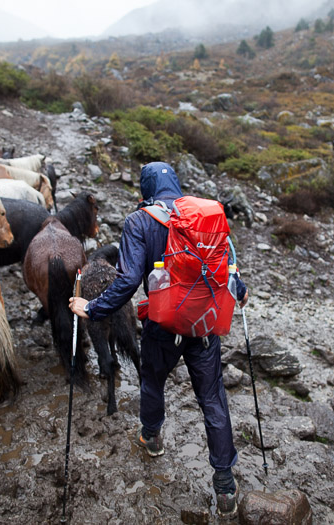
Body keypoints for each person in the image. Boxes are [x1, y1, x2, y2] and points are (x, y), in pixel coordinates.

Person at [69, 161, 249, 519]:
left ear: (144, 191)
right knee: (212, 398)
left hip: (162, 325)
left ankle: (151, 437)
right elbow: (230, 272)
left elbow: (128, 280)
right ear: (178, 185)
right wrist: (240, 292)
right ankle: (225, 486)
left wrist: (93, 308)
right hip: (204, 325)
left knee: (152, 382)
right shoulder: (206, 216)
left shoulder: (140, 221)